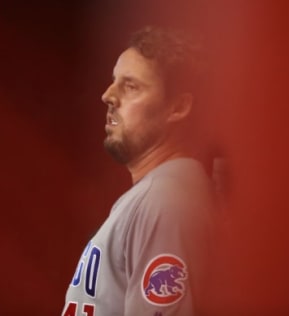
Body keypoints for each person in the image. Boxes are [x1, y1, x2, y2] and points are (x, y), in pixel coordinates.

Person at [62, 26, 216, 316]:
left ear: (178, 107)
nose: (108, 96)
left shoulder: (166, 202)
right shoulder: (156, 193)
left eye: (130, 86)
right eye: (113, 82)